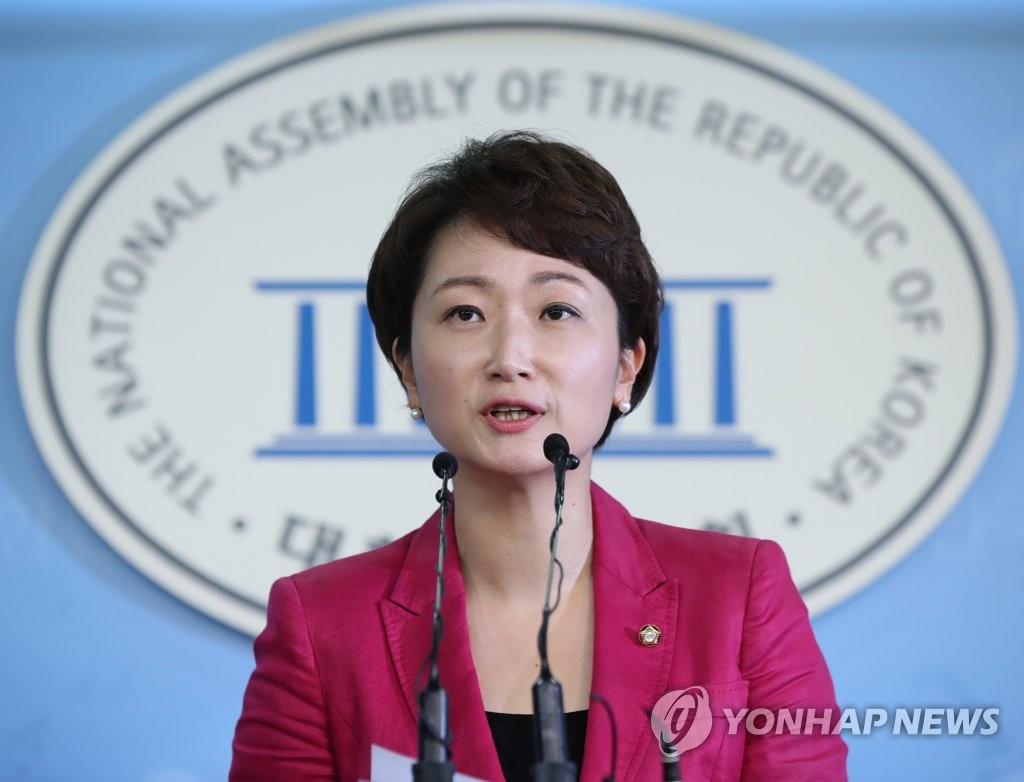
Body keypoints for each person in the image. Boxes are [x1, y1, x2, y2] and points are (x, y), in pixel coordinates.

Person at [230, 130, 848, 781]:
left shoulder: (739, 597)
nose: (511, 358)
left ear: (626, 367)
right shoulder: (321, 624)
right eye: (465, 313)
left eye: (557, 310)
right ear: (408, 369)